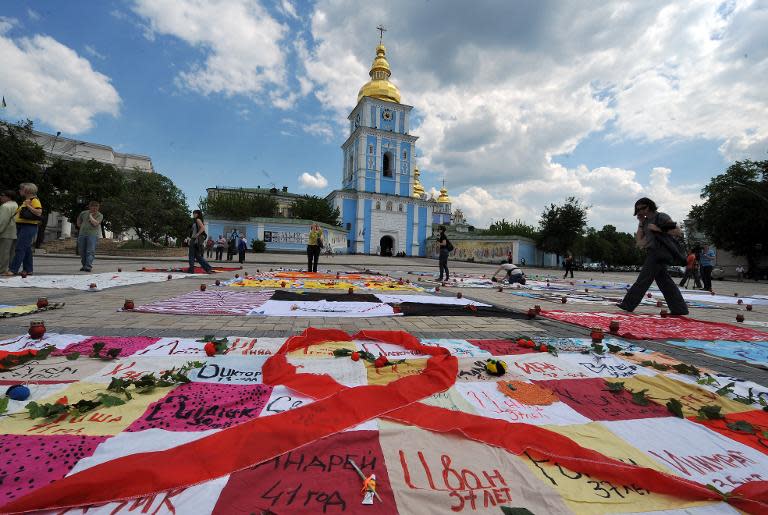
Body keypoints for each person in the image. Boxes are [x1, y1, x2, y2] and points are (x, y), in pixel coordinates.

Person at [617, 197, 688, 315]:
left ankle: (628, 304)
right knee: (665, 282)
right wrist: (640, 223)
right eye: (638, 210)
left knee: (643, 279)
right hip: (653, 252)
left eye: (643, 208)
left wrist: (658, 229)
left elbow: (678, 232)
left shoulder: (662, 217)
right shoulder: (645, 222)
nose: (640, 211)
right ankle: (679, 308)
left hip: (660, 253)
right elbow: (640, 242)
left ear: (650, 206)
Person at [9, 183, 43, 276]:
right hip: (22, 226)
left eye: (22, 189)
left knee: (20, 248)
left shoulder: (34, 200)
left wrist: (28, 206)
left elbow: (39, 212)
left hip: (28, 226)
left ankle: (13, 269)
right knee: (26, 248)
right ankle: (28, 269)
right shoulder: (26, 200)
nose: (20, 191)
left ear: (27, 191)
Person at [76, 200, 103, 272]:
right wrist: (80, 225)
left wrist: (90, 216)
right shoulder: (83, 213)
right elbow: (78, 219)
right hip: (82, 234)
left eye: (96, 207)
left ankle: (88, 266)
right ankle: (84, 265)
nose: (95, 209)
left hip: (92, 235)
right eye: (93, 207)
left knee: (90, 251)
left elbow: (95, 223)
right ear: (89, 207)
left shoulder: (99, 215)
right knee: (82, 251)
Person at [0, 190, 18, 276]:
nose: (1, 197)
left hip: (5, 232)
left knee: (4, 252)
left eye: (2, 195)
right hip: (14, 232)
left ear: (8, 197)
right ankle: (11, 269)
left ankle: (2, 269)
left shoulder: (5, 206)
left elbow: (2, 221)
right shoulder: (16, 204)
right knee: (12, 253)